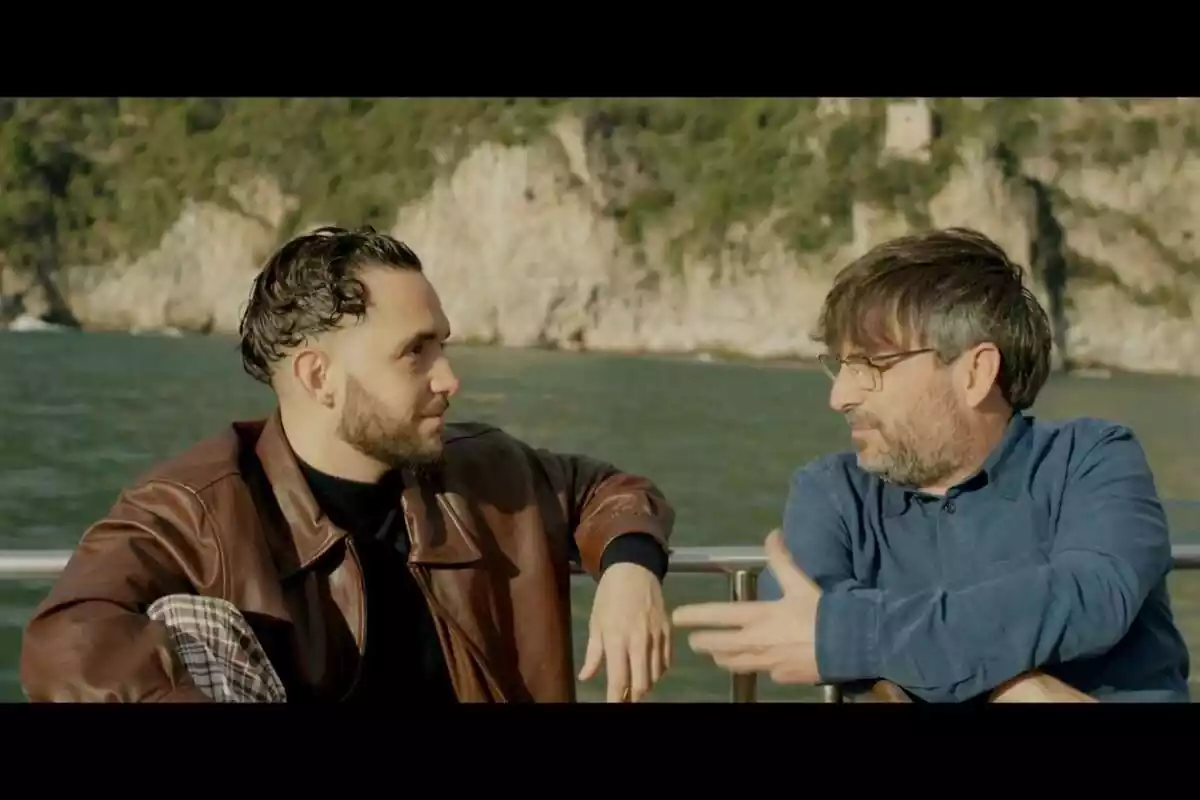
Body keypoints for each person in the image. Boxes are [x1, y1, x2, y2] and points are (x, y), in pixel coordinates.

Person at [20, 225, 676, 704]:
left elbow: (605, 490)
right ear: (319, 375)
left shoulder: (485, 470)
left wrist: (629, 570)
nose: (449, 379)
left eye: (442, 346)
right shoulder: (202, 505)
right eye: (415, 352)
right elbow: (67, 640)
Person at [673, 227, 1191, 703]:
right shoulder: (833, 491)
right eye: (841, 366)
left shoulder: (1093, 457)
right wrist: (1018, 688)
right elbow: (795, 623)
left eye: (871, 365)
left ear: (975, 372)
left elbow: (1091, 598)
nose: (840, 395)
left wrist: (856, 638)